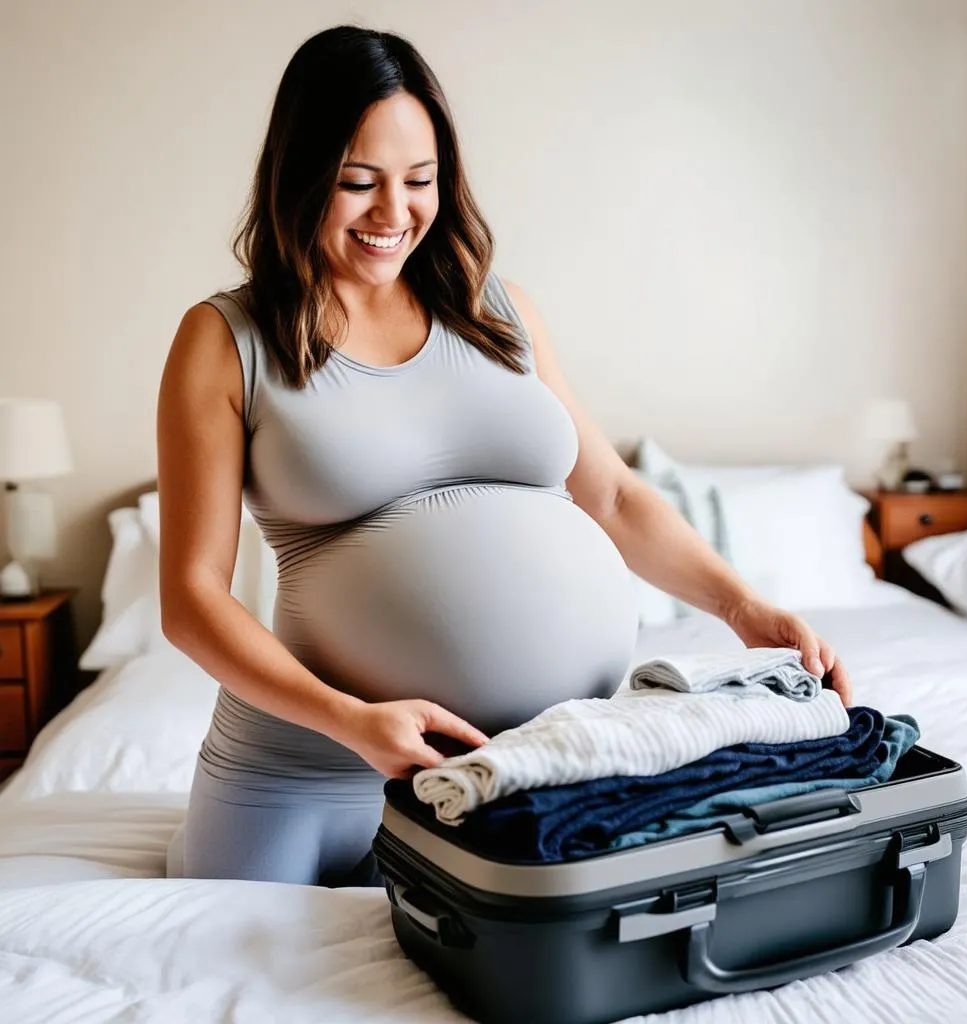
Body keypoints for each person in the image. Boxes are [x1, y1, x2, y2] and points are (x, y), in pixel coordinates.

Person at [159, 25, 852, 887]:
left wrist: (745, 609)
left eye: (419, 182)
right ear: (298, 178)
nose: (394, 214)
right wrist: (352, 720)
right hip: (315, 769)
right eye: (357, 183)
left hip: (537, 762)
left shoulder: (499, 313)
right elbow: (191, 599)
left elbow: (614, 499)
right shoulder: (227, 338)